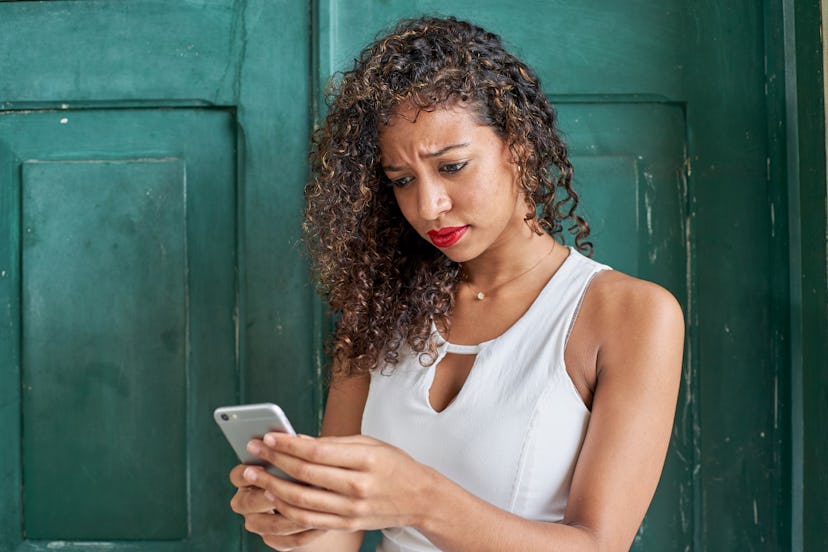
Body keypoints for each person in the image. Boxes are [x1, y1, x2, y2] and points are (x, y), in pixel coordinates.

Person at [229, 15, 684, 552]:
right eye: (401, 180)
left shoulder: (631, 314)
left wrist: (421, 498)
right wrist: (291, 524)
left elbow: (599, 546)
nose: (427, 206)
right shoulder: (376, 312)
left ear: (519, 145)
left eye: (452, 166)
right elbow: (338, 538)